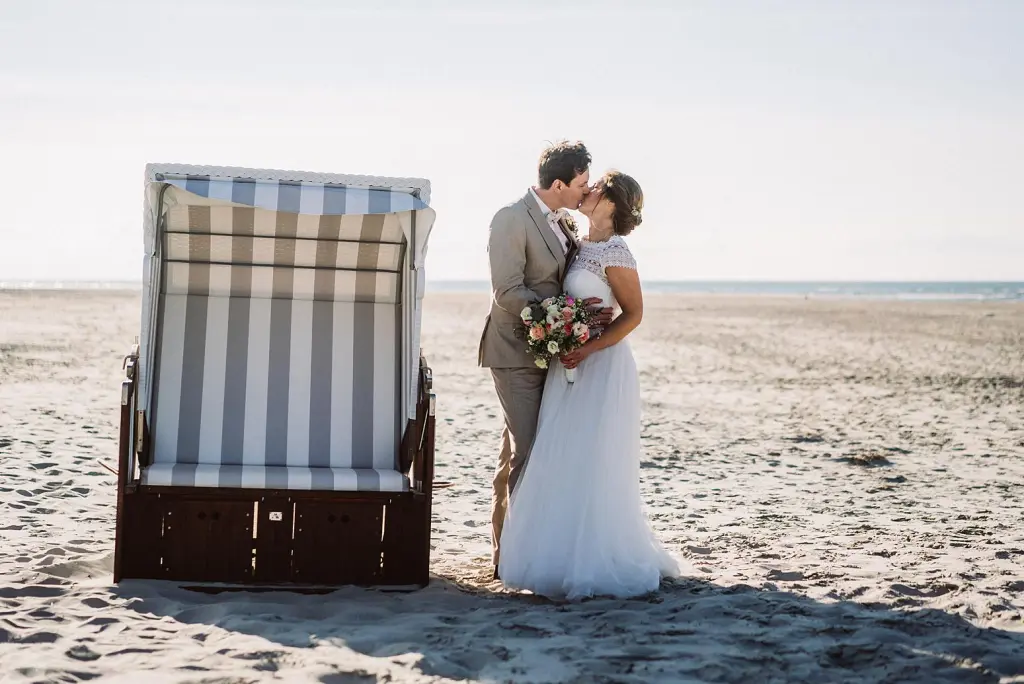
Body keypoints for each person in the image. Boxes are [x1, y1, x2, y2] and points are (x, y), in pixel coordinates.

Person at [497, 170, 682, 600]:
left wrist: (589, 347)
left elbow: (633, 314)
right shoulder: (580, 244)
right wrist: (565, 328)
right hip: (570, 361)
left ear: (613, 203)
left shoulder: (616, 252)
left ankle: (594, 553)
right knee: (562, 454)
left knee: (591, 458)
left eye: (597, 188)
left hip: (601, 364)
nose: (589, 190)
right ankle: (556, 551)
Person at [478, 140, 611, 579]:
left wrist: (583, 316)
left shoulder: (564, 222)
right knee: (530, 451)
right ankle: (517, 559)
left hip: (549, 351)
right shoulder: (511, 219)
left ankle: (506, 551)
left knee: (517, 451)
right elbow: (507, 291)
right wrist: (566, 316)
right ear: (558, 184)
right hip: (515, 351)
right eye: (581, 183)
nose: (586, 190)